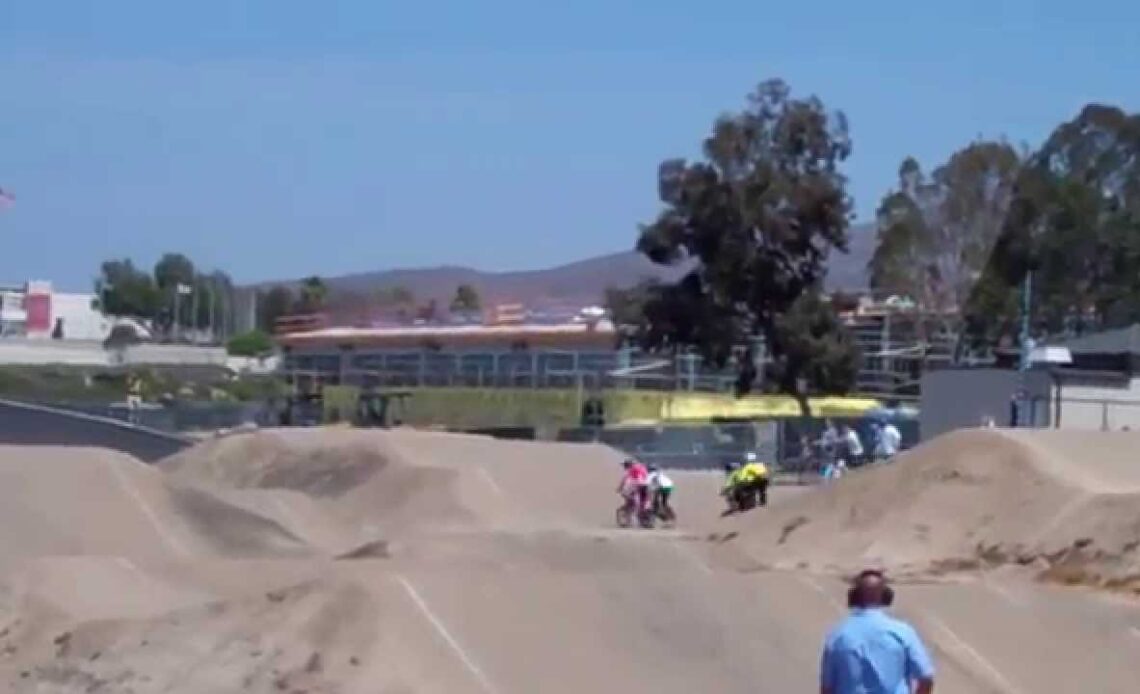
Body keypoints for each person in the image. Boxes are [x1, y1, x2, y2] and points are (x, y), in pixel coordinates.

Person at [820, 569, 935, 694]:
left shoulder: (837, 636)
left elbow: (827, 687)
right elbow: (925, 677)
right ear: (887, 597)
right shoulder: (903, 633)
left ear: (853, 597)